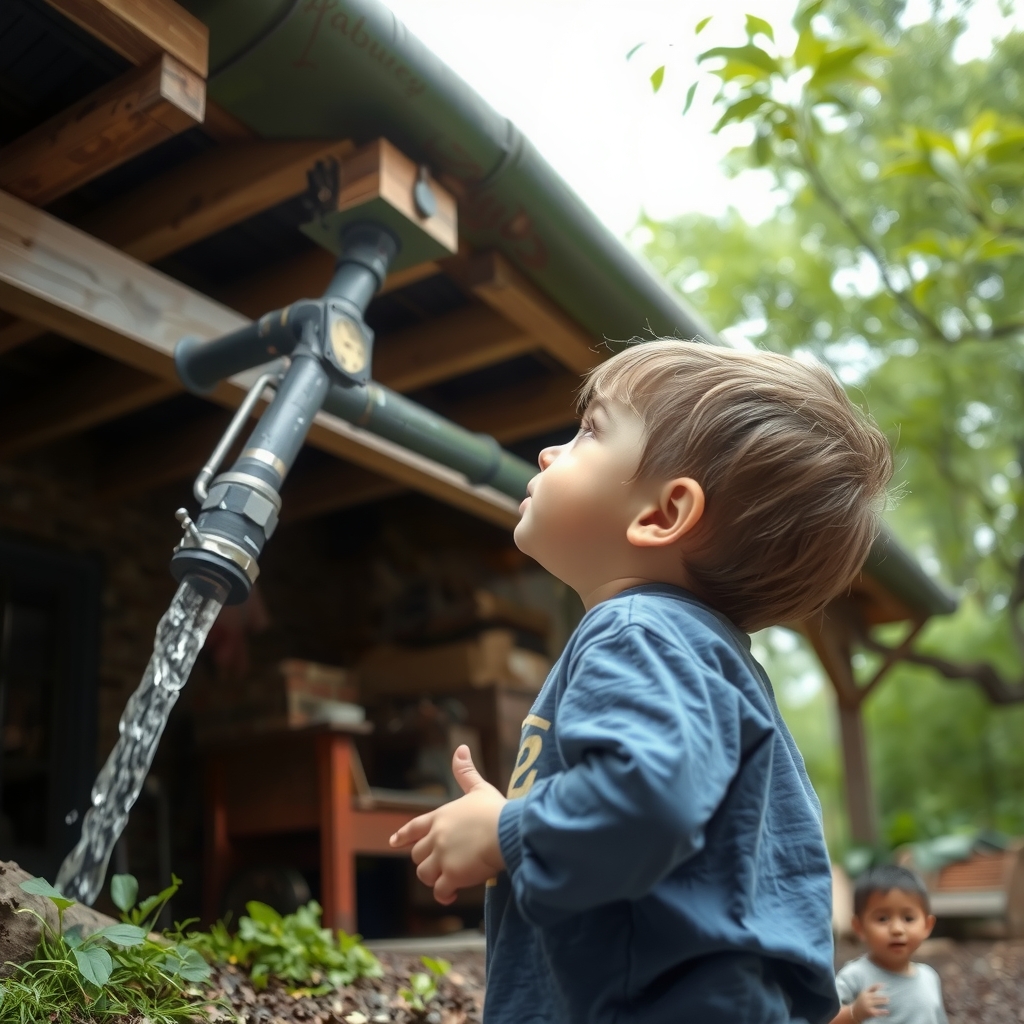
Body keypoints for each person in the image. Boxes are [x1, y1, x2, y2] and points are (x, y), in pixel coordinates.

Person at [390, 340, 893, 1023]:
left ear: (662, 514)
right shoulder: (709, 658)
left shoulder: (636, 631)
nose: (548, 453)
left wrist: (507, 829)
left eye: (590, 431)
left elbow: (648, 799)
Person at [832, 865, 948, 1023]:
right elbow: (825, 1020)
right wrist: (854, 1012)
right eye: (882, 919)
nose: (897, 929)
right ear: (859, 927)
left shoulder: (929, 978)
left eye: (908, 918)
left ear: (927, 926)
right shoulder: (854, 977)